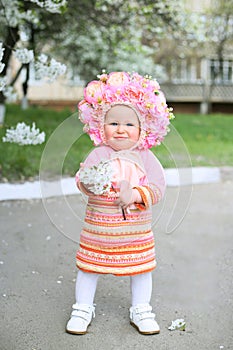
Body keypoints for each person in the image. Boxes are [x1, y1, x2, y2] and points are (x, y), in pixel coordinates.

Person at [66, 71, 174, 335]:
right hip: (99, 232)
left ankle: (141, 308)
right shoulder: (98, 154)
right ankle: (82, 307)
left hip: (134, 233)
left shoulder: (146, 158)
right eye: (113, 123)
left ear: (144, 128)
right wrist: (90, 184)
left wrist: (135, 195)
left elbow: (158, 188)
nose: (121, 129)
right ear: (100, 126)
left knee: (141, 269)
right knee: (89, 267)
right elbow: (83, 180)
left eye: (129, 124)